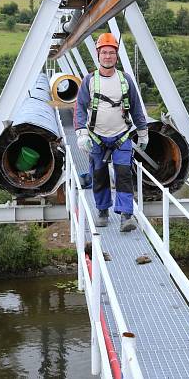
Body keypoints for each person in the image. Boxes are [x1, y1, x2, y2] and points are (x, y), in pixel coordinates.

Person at [74, 32, 148, 232]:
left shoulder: (125, 80)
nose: (108, 56)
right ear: (98, 55)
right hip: (96, 136)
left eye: (111, 53)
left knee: (123, 174)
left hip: (121, 136)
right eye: (104, 53)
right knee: (99, 174)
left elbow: (136, 107)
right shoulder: (89, 81)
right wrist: (81, 133)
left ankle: (126, 216)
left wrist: (143, 132)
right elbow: (80, 108)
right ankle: (103, 211)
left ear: (116, 56)